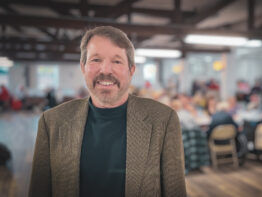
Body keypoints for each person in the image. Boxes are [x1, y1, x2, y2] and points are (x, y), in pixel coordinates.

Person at [29, 26, 186, 197]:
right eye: (96, 60)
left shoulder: (163, 120)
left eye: (117, 61)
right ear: (83, 67)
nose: (105, 70)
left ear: (131, 70)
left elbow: (174, 191)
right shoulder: (51, 122)